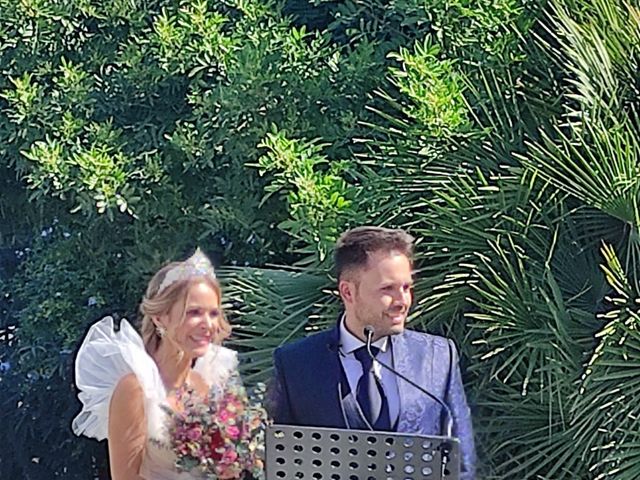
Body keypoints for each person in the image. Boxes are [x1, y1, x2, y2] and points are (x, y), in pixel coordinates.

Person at [270, 226, 476, 479]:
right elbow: (279, 462)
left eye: (406, 287)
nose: (403, 301)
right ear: (348, 292)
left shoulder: (439, 356)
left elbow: (463, 465)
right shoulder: (295, 364)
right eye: (387, 289)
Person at [73, 248, 239, 479]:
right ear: (160, 317)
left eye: (213, 313)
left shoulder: (207, 386)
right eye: (194, 312)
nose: (208, 324)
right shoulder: (135, 389)